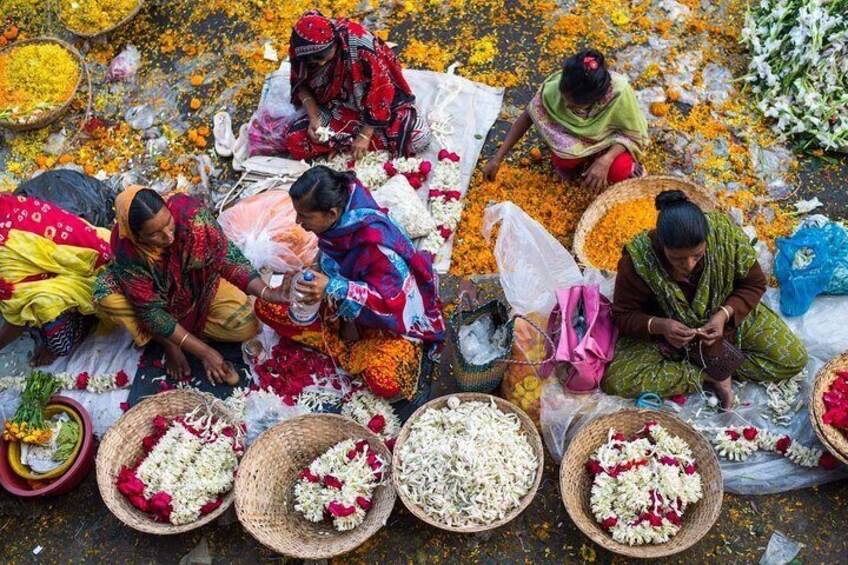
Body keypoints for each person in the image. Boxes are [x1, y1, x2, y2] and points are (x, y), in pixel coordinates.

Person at [254, 166, 445, 403]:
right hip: (345, 304)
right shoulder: (339, 227)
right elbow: (330, 258)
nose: (298, 221)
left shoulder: (376, 246)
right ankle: (345, 344)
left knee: (385, 381)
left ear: (331, 214)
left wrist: (335, 288)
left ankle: (348, 347)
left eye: (304, 216)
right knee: (266, 306)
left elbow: (397, 302)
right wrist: (315, 274)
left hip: (388, 322)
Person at [604, 190, 808, 409]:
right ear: (661, 245)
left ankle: (718, 365)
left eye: (698, 255)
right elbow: (623, 315)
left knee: (792, 358)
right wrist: (662, 326)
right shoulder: (639, 262)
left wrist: (724, 314)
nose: (689, 265)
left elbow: (754, 284)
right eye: (678, 259)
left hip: (725, 318)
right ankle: (707, 376)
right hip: (668, 339)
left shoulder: (725, 238)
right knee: (617, 380)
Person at [94, 187, 287, 383]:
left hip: (195, 287)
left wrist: (266, 292)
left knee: (247, 325)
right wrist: (203, 351)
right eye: (154, 234)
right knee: (105, 297)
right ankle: (168, 341)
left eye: (168, 223)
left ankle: (181, 332)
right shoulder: (128, 251)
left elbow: (227, 259)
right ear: (138, 236)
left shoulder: (191, 216)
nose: (168, 236)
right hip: (145, 298)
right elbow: (151, 312)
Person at [482, 49, 649, 192]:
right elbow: (527, 117)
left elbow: (631, 134)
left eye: (575, 105)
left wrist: (607, 159)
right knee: (563, 159)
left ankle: (602, 160)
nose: (567, 106)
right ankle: (578, 161)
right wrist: (497, 158)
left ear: (597, 99)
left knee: (619, 171)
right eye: (564, 99)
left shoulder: (618, 93)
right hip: (574, 141)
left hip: (609, 141)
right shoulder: (557, 86)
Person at [285, 10, 431, 161]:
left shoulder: (360, 44)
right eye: (313, 61)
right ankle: (350, 144)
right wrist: (314, 117)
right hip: (336, 107)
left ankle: (347, 143)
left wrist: (365, 134)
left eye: (323, 57)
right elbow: (301, 85)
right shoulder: (300, 48)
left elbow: (382, 90)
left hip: (377, 106)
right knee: (295, 142)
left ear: (335, 42)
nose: (320, 63)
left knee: (419, 139)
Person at [0, 194, 112, 366]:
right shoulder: (6, 203)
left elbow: (17, 315)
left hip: (95, 275)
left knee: (51, 325)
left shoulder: (6, 254)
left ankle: (82, 320)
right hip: (95, 251)